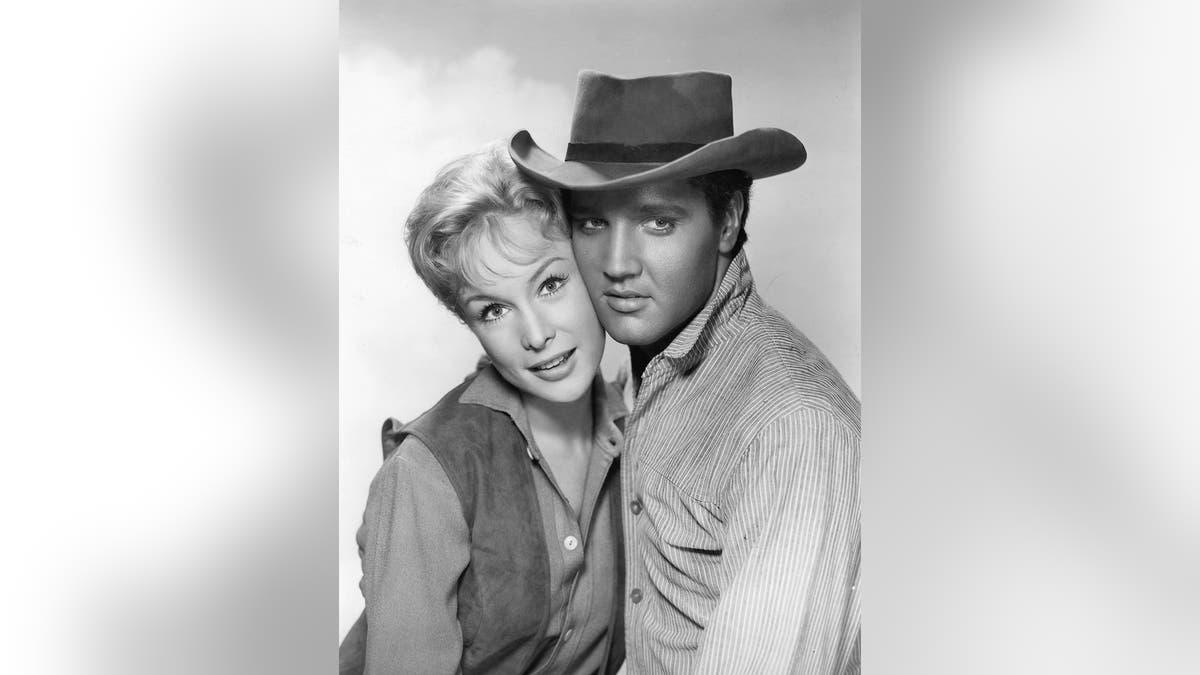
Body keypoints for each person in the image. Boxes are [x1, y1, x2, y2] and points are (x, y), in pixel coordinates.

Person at [510, 70, 861, 674]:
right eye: (593, 222)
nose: (617, 265)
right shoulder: (653, 367)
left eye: (658, 223)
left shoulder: (792, 429)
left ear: (727, 221)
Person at [352, 141, 626, 675]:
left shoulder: (645, 430)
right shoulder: (424, 476)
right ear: (469, 323)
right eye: (494, 309)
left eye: (551, 284)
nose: (537, 335)